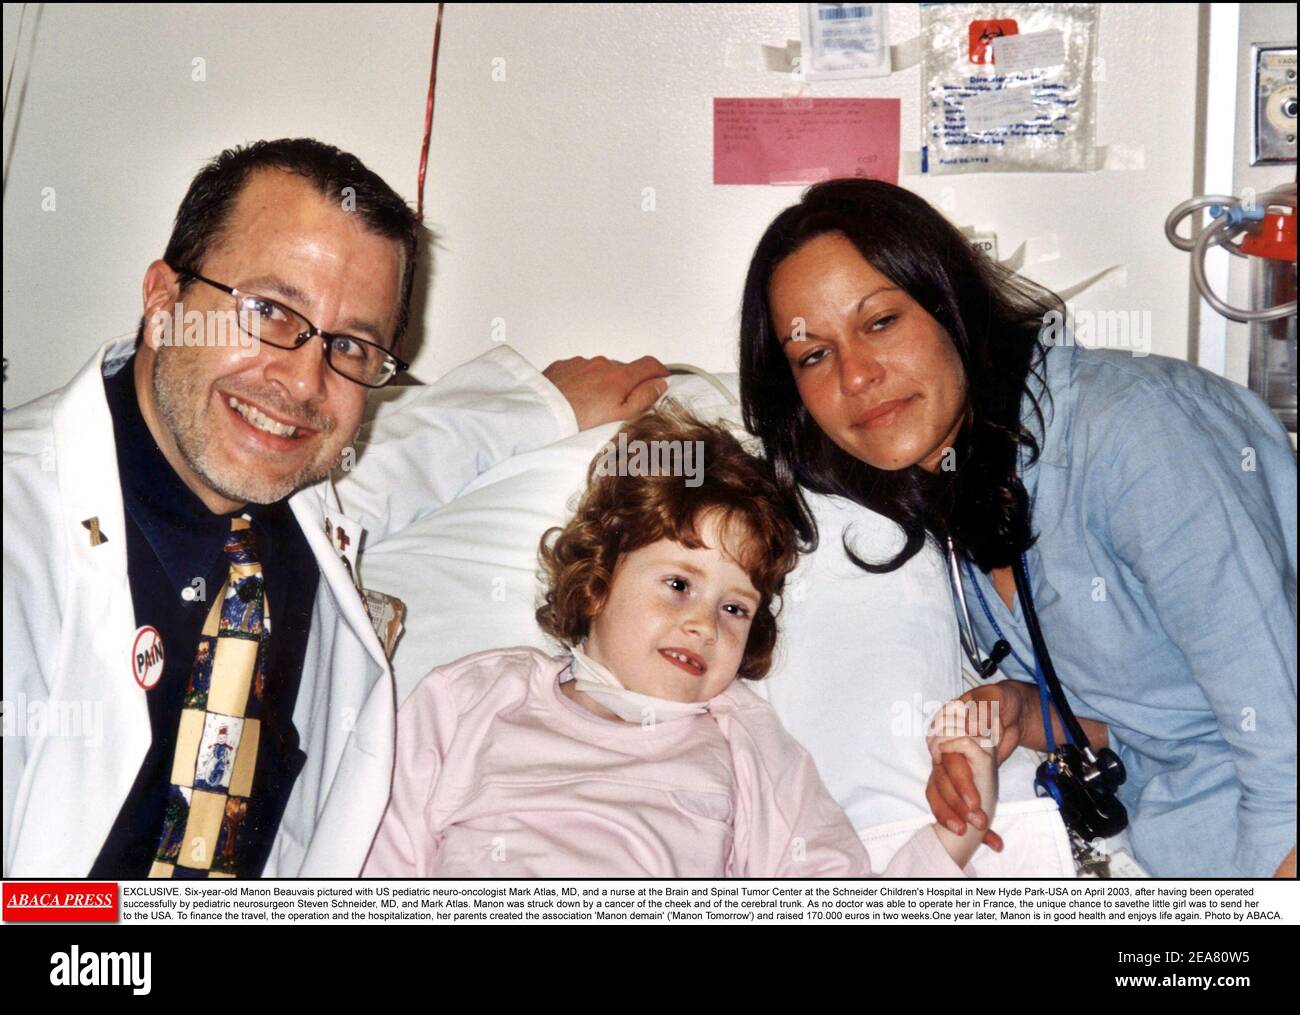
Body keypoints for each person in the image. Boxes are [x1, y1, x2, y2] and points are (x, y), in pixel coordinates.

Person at [2, 138, 670, 878]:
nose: (301, 380)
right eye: (268, 310)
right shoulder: (23, 532)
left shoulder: (293, 510)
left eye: (350, 346)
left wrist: (540, 403)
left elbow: (412, 453)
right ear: (164, 300)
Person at [738, 178, 1297, 878]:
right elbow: (1150, 718)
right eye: (813, 355)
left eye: (880, 321)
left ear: (952, 306)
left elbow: (1287, 763)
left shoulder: (1134, 435)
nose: (856, 375)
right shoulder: (961, 488)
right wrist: (1017, 711)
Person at [362, 406, 996, 877]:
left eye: (733, 608)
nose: (705, 625)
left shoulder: (742, 739)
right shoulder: (471, 698)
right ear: (599, 582)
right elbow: (374, 860)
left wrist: (948, 843)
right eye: (676, 584)